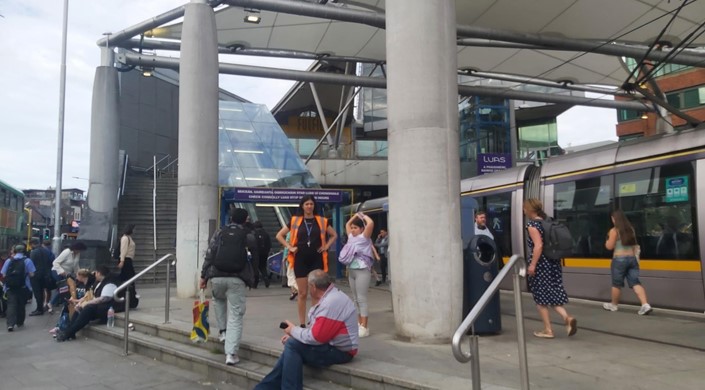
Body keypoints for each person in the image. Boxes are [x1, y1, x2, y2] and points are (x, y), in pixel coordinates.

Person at [254, 270, 358, 390]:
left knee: (292, 346)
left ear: (313, 287)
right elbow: (318, 329)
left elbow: (316, 337)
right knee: (292, 346)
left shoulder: (331, 302)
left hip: (341, 352)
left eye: (308, 286)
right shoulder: (331, 297)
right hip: (331, 345)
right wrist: (296, 335)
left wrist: (293, 330)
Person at [200, 208, 257, 366]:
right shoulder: (248, 236)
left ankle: (223, 332)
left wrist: (203, 276)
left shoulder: (219, 232)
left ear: (230, 219)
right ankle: (231, 354)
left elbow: (210, 253)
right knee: (236, 315)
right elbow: (254, 257)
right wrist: (253, 278)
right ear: (245, 219)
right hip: (237, 278)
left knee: (218, 300)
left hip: (217, 276)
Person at [275, 195, 337, 327]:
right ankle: (302, 323)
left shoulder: (322, 221)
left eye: (311, 204)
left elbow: (334, 235)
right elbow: (279, 235)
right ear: (302, 206)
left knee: (316, 292)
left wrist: (326, 246)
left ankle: (314, 320)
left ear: (314, 206)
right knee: (302, 293)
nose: (309, 206)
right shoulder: (294, 221)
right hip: (300, 258)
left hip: (317, 258)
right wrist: (290, 247)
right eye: (307, 204)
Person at [523, 199, 577, 339]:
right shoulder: (548, 221)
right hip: (553, 262)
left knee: (541, 299)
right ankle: (567, 318)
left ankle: (548, 330)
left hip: (541, 264)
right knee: (552, 293)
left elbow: (538, 246)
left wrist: (533, 264)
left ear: (530, 210)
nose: (524, 211)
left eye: (524, 208)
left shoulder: (532, 224)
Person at [603, 209, 653, 315]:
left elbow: (609, 246)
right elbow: (635, 245)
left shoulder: (614, 231)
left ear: (614, 219)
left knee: (617, 284)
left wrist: (606, 240)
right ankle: (645, 304)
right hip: (632, 259)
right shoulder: (631, 229)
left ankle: (614, 305)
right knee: (635, 282)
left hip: (619, 259)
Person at [56, 265, 120, 342]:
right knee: (79, 308)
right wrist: (81, 303)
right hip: (98, 305)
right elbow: (91, 295)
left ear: (99, 273)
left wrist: (86, 303)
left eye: (96, 273)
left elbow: (103, 299)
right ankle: (70, 331)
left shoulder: (109, 284)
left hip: (107, 307)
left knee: (88, 309)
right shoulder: (99, 283)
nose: (95, 274)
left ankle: (68, 332)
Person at [342, 212, 376, 337]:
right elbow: (347, 224)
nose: (353, 229)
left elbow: (370, 223)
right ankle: (358, 323)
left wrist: (362, 216)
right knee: (355, 299)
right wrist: (354, 216)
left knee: (362, 299)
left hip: (362, 270)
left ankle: (364, 326)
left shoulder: (365, 237)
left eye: (356, 228)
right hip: (351, 270)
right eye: (352, 228)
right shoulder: (351, 237)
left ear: (362, 229)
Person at [2, 245, 36, 331]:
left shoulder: (9, 260)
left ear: (15, 251)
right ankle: (20, 322)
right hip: (23, 287)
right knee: (21, 304)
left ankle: (10, 324)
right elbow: (32, 274)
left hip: (10, 287)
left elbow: (3, 274)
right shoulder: (27, 260)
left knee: (11, 305)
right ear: (24, 251)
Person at [29, 238, 52, 316]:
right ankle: (41, 308)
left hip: (36, 275)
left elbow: (31, 264)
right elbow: (50, 262)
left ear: (32, 244)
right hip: (45, 275)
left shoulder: (34, 252)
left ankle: (39, 309)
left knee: (37, 293)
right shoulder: (45, 251)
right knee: (42, 291)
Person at [117, 224, 138, 302]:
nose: (135, 231)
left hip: (128, 259)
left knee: (125, 277)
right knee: (130, 277)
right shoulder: (125, 238)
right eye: (134, 229)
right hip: (126, 260)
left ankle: (130, 293)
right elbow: (123, 250)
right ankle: (131, 294)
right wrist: (122, 261)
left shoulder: (129, 238)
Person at [253, 221, 272, 288]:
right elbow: (269, 243)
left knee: (255, 267)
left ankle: (255, 282)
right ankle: (266, 278)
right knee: (263, 266)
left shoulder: (254, 233)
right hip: (265, 253)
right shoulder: (266, 233)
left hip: (256, 253)